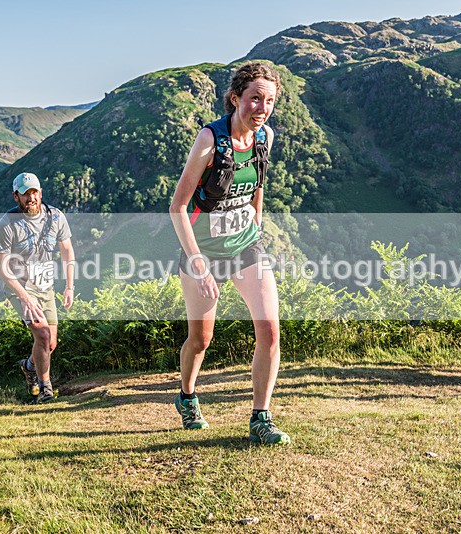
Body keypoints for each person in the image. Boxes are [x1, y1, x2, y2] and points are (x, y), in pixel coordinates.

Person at [168, 62, 289, 445]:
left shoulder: (264, 137)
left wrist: (257, 218)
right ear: (236, 98)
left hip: (246, 247)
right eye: (255, 98)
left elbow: (258, 181)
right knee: (201, 340)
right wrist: (200, 264)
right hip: (201, 253)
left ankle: (260, 418)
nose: (262, 107)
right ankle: (186, 396)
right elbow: (178, 207)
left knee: (269, 329)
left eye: (269, 101)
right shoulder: (208, 141)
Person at [0, 172, 75, 403]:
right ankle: (45, 388)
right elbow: (2, 268)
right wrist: (26, 299)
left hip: (45, 286)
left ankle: (29, 367)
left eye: (34, 192)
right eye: (25, 194)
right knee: (42, 334)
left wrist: (69, 286)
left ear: (40, 193)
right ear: (16, 196)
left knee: (50, 343)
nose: (31, 198)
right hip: (19, 287)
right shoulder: (7, 223)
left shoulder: (56, 217)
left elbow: (67, 251)